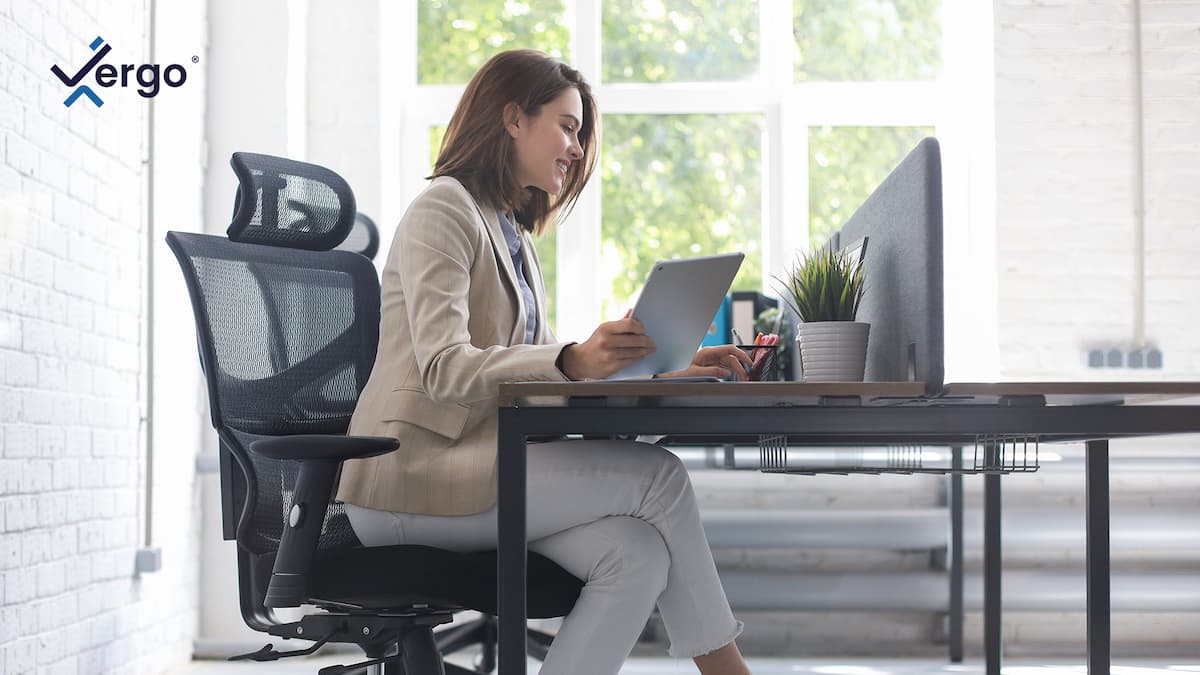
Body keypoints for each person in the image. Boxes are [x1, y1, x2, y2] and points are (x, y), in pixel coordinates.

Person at [336, 49, 754, 675]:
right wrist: (572, 360)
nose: (577, 148)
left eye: (580, 133)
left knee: (636, 553)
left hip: (481, 469)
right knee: (659, 477)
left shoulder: (514, 236)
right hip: (412, 481)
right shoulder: (443, 210)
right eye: (566, 125)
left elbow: (545, 380)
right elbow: (445, 370)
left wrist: (657, 369)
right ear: (512, 119)